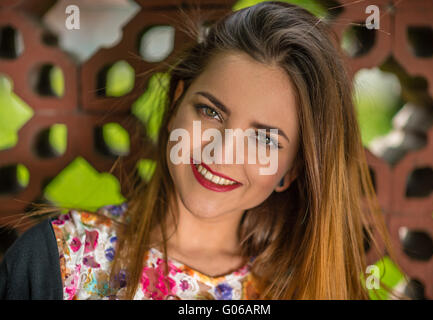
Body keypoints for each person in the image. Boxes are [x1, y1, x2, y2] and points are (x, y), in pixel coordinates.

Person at [0, 1, 404, 300]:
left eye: (265, 139)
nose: (222, 152)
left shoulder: (308, 287)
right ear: (177, 101)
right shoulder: (56, 260)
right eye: (211, 112)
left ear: (292, 170)